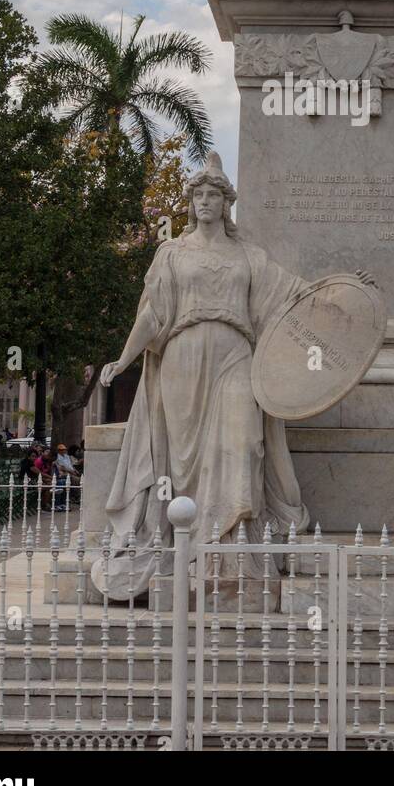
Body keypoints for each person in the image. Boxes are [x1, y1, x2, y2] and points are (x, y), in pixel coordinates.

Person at [95, 153, 322, 598]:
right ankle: (193, 549)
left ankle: (234, 548)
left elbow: (294, 294)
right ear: (190, 203)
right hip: (182, 357)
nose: (204, 201)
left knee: (245, 442)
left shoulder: (248, 256)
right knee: (184, 462)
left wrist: (344, 292)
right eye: (197, 195)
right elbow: (151, 315)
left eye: (212, 195)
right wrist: (124, 361)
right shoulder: (172, 253)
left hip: (236, 354)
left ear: (225, 203)